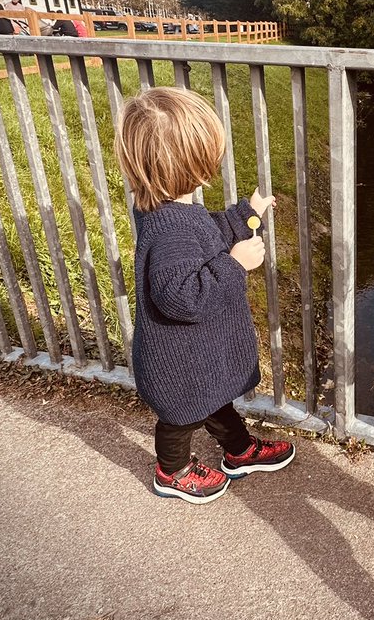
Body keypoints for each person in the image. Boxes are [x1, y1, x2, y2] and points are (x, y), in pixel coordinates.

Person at [114, 86, 295, 503]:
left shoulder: (170, 209)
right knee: (180, 415)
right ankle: (172, 471)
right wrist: (235, 264)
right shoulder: (171, 229)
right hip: (179, 361)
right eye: (208, 156)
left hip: (199, 354)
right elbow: (180, 295)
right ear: (189, 164)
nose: (213, 164)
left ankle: (238, 451)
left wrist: (243, 215)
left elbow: (207, 236)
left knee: (213, 396)